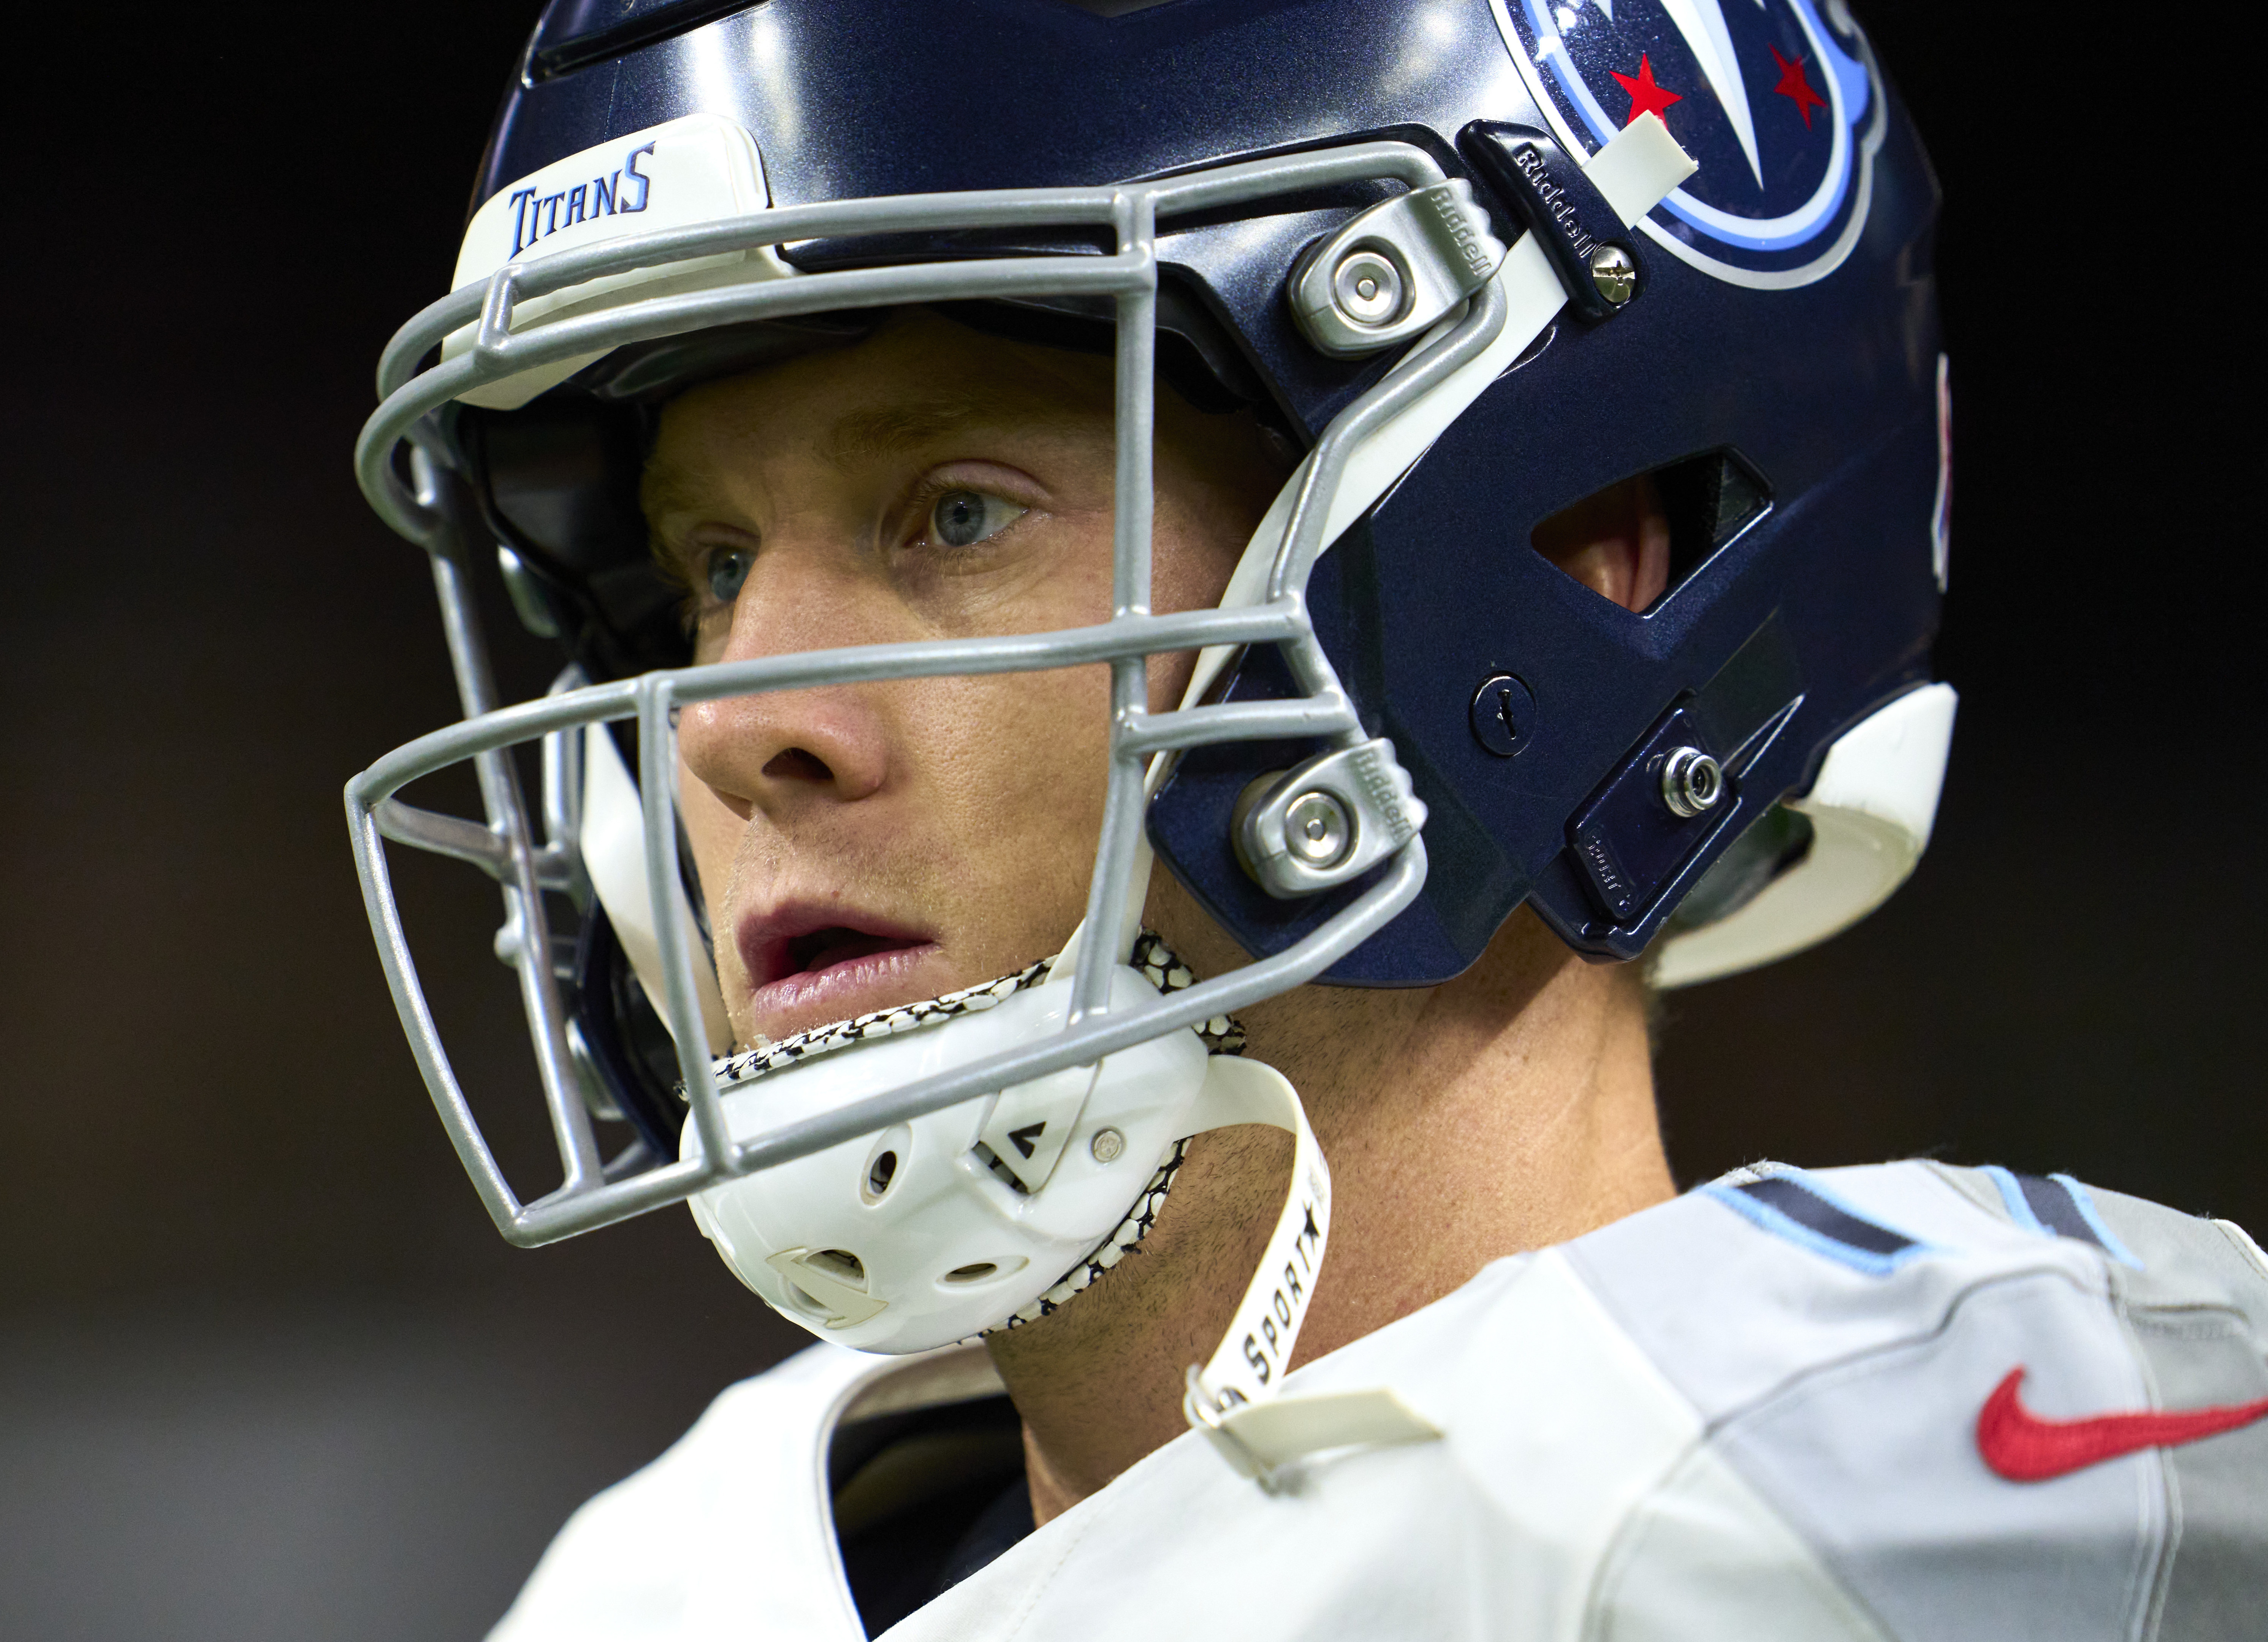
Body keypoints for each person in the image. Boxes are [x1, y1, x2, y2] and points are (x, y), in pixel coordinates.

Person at [343, 2, 2268, 1637]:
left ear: (1574, 550)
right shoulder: (665, 1588)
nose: (733, 723)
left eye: (953, 513)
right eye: (709, 566)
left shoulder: (1906, 1496)